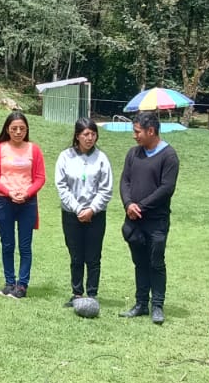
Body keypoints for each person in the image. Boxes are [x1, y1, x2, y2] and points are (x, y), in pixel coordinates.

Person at [119, 111, 179, 324]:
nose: (134, 136)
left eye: (138, 132)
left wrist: (141, 206)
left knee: (156, 262)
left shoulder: (169, 156)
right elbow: (125, 181)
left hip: (156, 222)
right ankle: (141, 304)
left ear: (151, 131)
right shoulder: (133, 154)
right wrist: (128, 204)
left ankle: (157, 306)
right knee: (140, 263)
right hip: (133, 220)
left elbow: (166, 188)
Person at [0, 112, 45, 299]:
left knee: (25, 246)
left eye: (22, 129)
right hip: (4, 201)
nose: (18, 132)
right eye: (14, 128)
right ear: (7, 129)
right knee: (7, 244)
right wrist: (9, 192)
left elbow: (40, 178)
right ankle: (9, 282)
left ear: (27, 130)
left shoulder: (34, 150)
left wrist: (27, 193)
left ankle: (22, 284)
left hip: (27, 203)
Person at [55, 117, 113, 308]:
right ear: (77, 136)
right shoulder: (65, 157)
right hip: (71, 214)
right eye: (86, 134)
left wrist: (92, 209)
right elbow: (62, 186)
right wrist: (78, 209)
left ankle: (92, 293)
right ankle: (77, 293)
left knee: (93, 256)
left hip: (96, 215)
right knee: (76, 256)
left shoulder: (101, 158)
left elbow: (106, 189)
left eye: (93, 134)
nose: (90, 138)